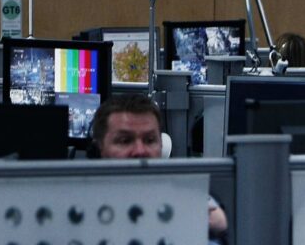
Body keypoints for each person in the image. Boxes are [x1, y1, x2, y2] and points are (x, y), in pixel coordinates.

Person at [90, 95, 228, 241]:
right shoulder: (80, 201)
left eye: (150, 140)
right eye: (125, 140)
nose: (140, 150)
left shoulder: (185, 196)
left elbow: (220, 223)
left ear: (161, 145)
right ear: (99, 148)